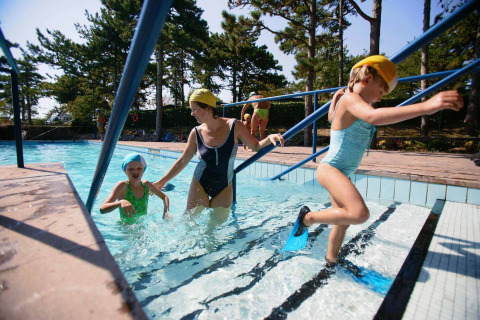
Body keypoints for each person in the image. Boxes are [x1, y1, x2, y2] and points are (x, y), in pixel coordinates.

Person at [292, 55, 464, 264]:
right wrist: (427, 106)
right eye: (381, 91)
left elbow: (331, 118)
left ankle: (331, 259)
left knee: (342, 220)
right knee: (359, 213)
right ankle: (307, 218)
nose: (381, 97)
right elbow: (374, 117)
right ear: (366, 80)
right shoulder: (351, 99)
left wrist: (335, 99)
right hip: (330, 169)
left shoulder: (350, 102)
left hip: (339, 171)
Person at [153, 88, 284, 222]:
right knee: (189, 225)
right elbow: (183, 161)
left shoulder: (234, 126)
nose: (192, 114)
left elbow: (256, 146)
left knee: (214, 234)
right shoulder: (196, 132)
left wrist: (269, 138)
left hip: (224, 187)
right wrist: (162, 182)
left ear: (209, 109)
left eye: (194, 109)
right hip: (200, 183)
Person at [100, 152, 171, 220]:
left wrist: (166, 211)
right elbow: (102, 209)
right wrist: (120, 202)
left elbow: (164, 197)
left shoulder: (146, 185)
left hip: (142, 227)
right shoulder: (122, 186)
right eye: (131, 169)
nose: (135, 172)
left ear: (143, 169)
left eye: (139, 168)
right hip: (125, 228)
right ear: (125, 170)